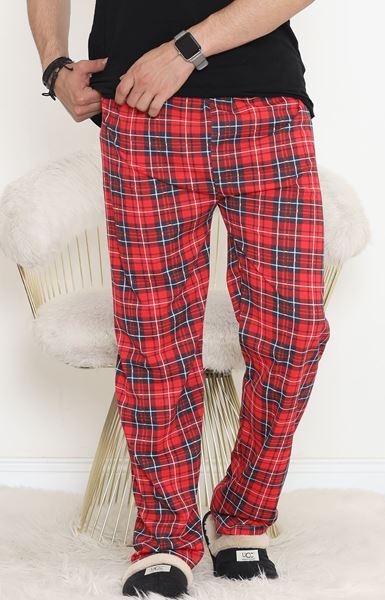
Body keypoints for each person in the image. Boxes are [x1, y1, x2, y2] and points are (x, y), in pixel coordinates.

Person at [27, 0, 330, 597]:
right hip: (143, 114)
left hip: (267, 112)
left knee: (293, 333)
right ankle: (164, 533)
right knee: (155, 338)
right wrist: (54, 65)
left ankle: (243, 513)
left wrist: (187, 50)